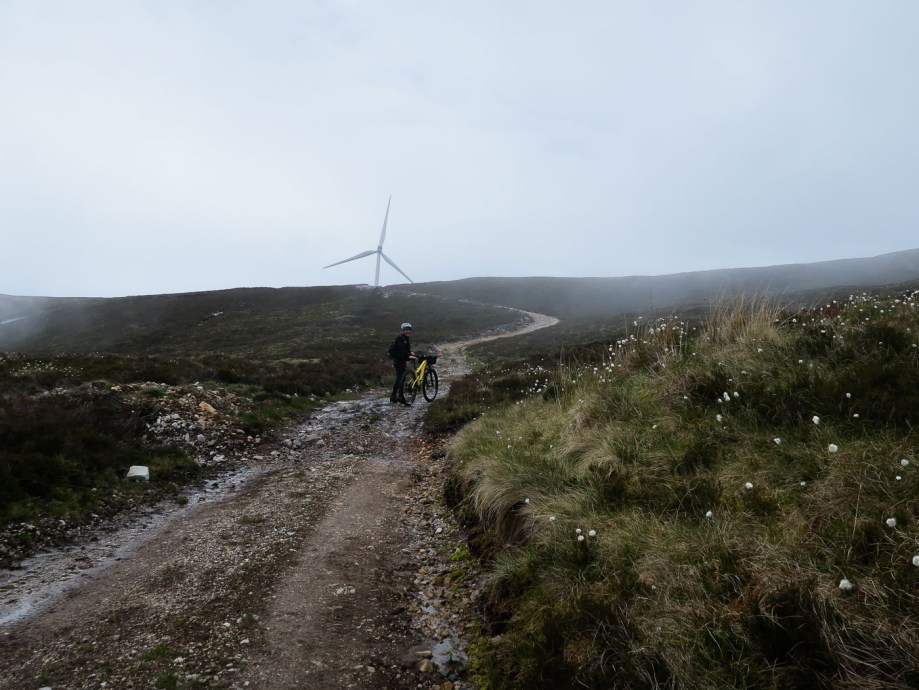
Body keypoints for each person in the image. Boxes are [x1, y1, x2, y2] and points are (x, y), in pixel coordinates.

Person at [390, 322, 415, 403]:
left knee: (401, 379)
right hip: (398, 361)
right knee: (400, 379)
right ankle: (395, 396)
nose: (408, 331)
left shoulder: (406, 338)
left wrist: (410, 353)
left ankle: (397, 396)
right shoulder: (400, 338)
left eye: (409, 330)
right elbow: (401, 350)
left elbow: (406, 349)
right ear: (403, 330)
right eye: (406, 330)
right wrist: (408, 356)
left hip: (402, 360)